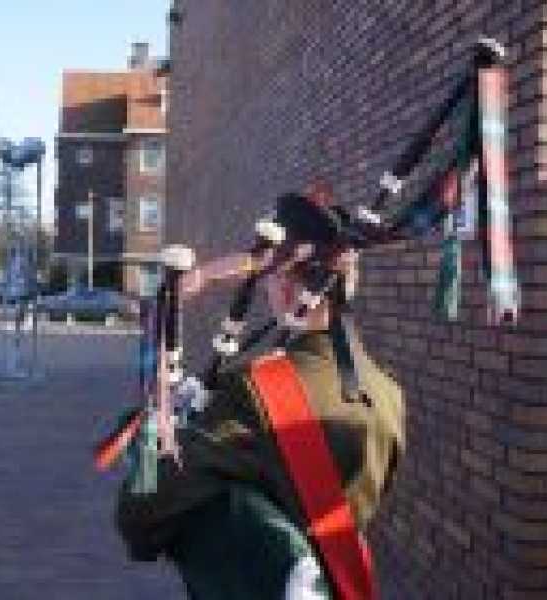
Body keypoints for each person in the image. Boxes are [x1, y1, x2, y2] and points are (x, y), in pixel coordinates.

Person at [115, 196, 405, 599]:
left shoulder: (252, 393)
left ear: (287, 289)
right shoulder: (389, 391)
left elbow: (142, 515)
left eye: (270, 279)